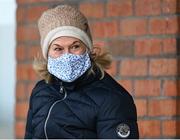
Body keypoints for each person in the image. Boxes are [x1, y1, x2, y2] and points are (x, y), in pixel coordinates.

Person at [24, 4, 139, 139]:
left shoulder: (113, 99)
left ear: (87, 48)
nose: (67, 56)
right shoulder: (41, 91)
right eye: (58, 49)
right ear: (47, 53)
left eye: (75, 46)